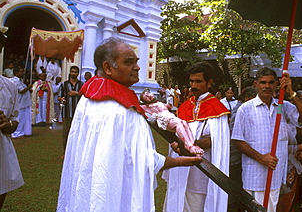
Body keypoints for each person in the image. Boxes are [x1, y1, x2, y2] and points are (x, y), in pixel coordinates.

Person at [57, 37, 200, 211]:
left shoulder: (87, 98)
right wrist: (180, 161)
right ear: (108, 68)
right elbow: (144, 161)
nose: (137, 67)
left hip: (90, 183)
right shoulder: (123, 111)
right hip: (116, 194)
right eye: (129, 62)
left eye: (136, 61)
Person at [231, 67, 302, 212]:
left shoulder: (284, 106)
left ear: (277, 84)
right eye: (263, 82)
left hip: (276, 176)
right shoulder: (245, 109)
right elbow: (237, 140)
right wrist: (261, 158)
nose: (267, 86)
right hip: (255, 177)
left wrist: (292, 93)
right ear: (256, 84)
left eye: (271, 82)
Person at [163, 61, 230, 212]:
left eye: (198, 81)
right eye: (191, 81)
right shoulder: (185, 106)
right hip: (180, 166)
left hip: (201, 171)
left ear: (209, 83)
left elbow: (216, 141)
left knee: (197, 205)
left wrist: (187, 144)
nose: (193, 85)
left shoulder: (217, 108)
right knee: (178, 201)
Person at [140, 89, 203, 155]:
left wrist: (168, 106)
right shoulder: (148, 106)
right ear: (145, 101)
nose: (149, 96)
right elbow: (137, 106)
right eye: (146, 97)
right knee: (178, 125)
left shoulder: (159, 102)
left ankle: (192, 144)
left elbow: (168, 107)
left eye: (148, 94)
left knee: (184, 123)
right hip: (165, 120)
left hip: (171, 117)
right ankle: (188, 145)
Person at [228, 86, 257, 211]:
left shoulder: (243, 109)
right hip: (235, 157)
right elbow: (236, 136)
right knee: (235, 188)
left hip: (240, 156)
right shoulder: (241, 110)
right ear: (247, 99)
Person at [0, 74, 23, 209]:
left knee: (2, 190)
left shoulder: (9, 86)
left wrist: (7, 124)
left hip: (2, 150)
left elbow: (14, 121)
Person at [58, 66, 84, 151]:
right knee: (66, 132)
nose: (73, 73)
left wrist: (76, 93)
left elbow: (85, 95)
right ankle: (66, 151)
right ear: (70, 72)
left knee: (78, 132)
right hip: (67, 112)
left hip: (78, 112)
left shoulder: (82, 84)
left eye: (75, 72)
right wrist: (61, 99)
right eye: (72, 72)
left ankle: (76, 151)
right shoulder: (64, 84)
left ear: (78, 73)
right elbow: (59, 96)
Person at [9, 67, 32, 138]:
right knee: (20, 119)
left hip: (25, 103)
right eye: (21, 71)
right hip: (20, 103)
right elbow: (21, 91)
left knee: (25, 119)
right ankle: (17, 133)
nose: (23, 73)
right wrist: (29, 87)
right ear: (16, 72)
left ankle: (24, 132)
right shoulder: (14, 81)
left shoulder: (20, 81)